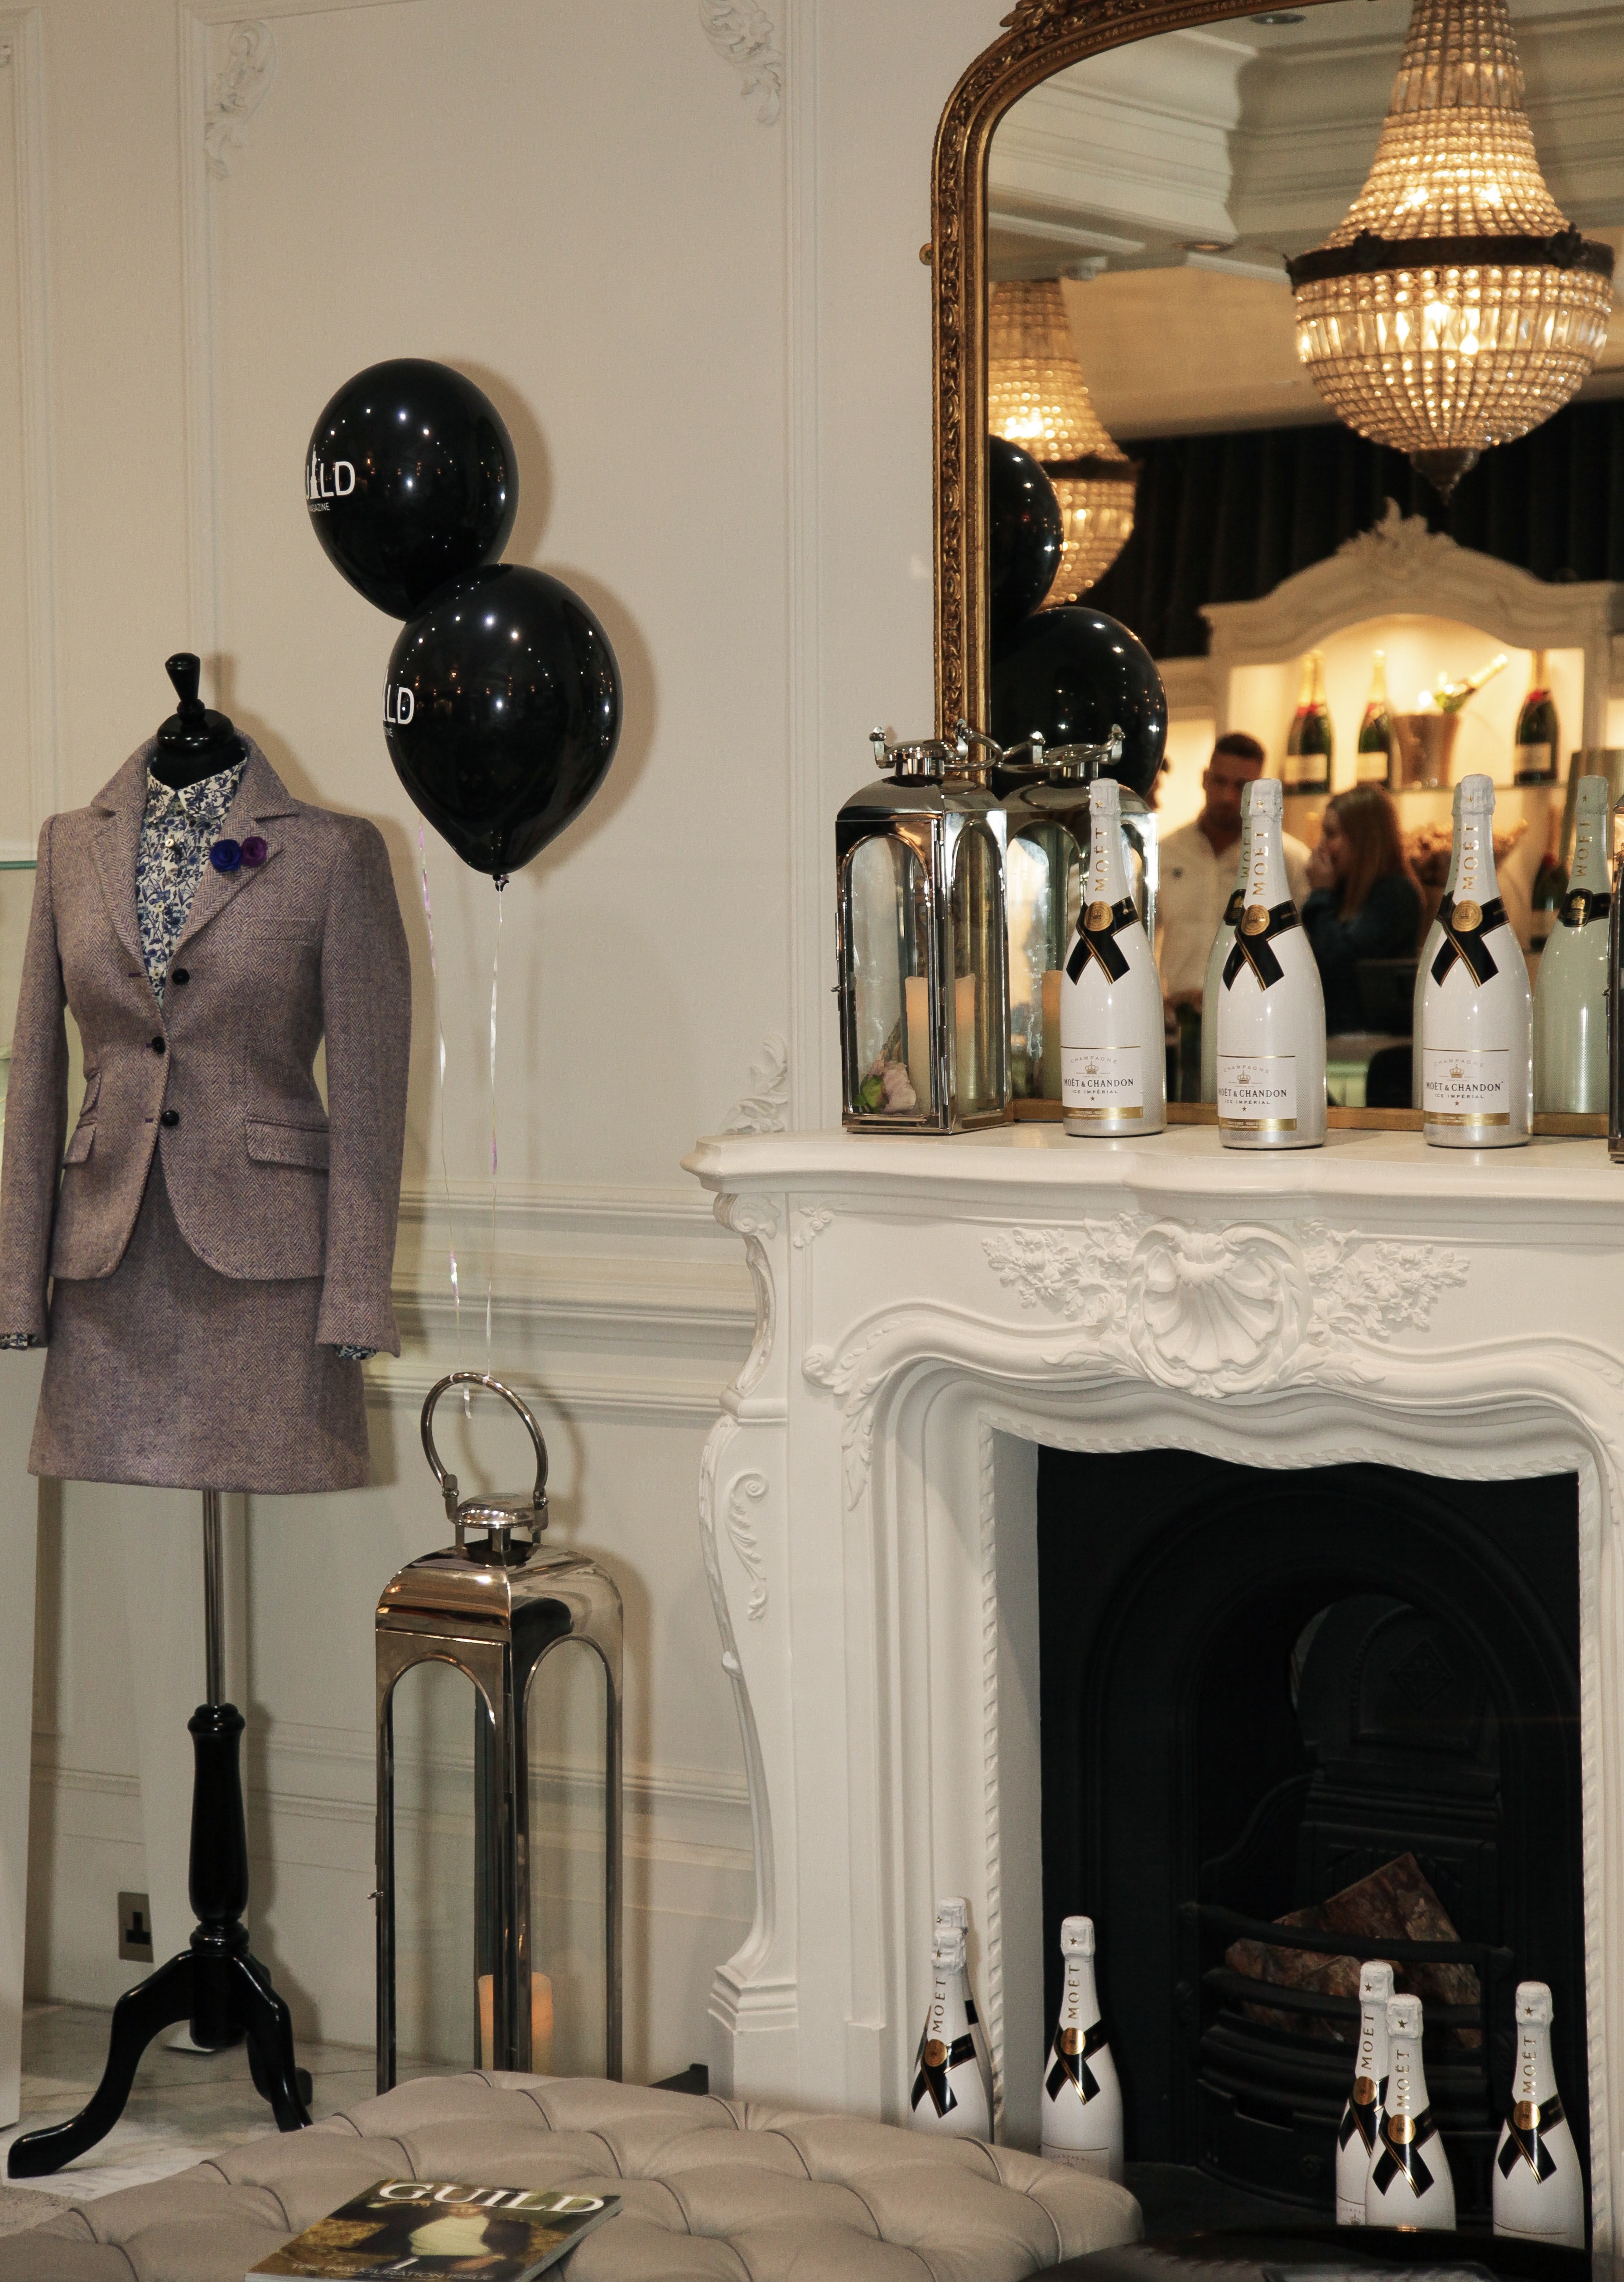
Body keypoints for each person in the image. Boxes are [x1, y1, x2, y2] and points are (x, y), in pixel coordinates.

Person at [1156, 733, 1311, 1003]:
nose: (1228, 797)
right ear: (1205, 779)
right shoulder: (1165, 854)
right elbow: (1141, 936)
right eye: (1220, 781)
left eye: (1241, 786)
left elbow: (1303, 949)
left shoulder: (1289, 860)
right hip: (1177, 1016)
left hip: (1255, 1012)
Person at [1301, 782, 1423, 1035]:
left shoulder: (1395, 895)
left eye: (1331, 834)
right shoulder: (1342, 894)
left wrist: (1320, 895)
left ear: (1362, 840)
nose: (1321, 846)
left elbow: (1339, 963)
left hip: (1373, 1043)